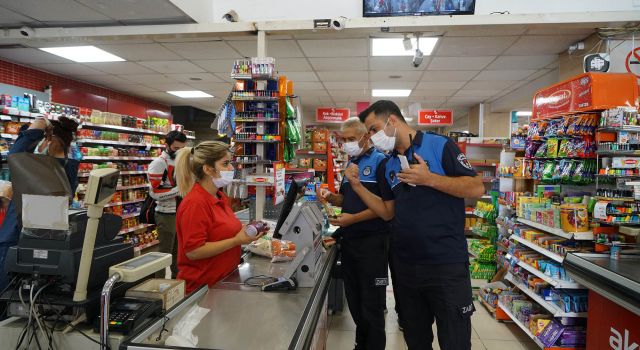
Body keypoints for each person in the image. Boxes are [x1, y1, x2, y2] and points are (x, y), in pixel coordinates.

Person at [346, 100, 484, 350]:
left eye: (375, 128)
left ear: (393, 121)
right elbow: (388, 212)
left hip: (445, 265)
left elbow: (476, 187)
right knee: (416, 340)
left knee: (455, 340)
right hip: (405, 268)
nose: (372, 137)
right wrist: (357, 186)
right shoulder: (388, 165)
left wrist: (430, 179)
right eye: (369, 132)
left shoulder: (439, 145)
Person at [318, 118, 390, 350]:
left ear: (365, 137)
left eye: (351, 139)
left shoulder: (381, 162)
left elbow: (386, 208)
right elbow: (348, 200)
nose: (347, 144)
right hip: (350, 242)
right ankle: (362, 344)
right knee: (356, 301)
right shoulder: (351, 161)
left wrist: (353, 219)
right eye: (344, 140)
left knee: (372, 305)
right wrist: (331, 197)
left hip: (373, 244)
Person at [0, 117, 80, 293]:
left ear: (49, 141)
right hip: (46, 242)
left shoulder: (42, 167)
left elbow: (15, 153)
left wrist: (40, 122)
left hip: (16, 239)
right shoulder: (68, 168)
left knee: (6, 296)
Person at [174, 141, 264, 294]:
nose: (231, 168)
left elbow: (219, 231)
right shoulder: (195, 203)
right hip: (201, 289)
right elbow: (194, 251)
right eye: (225, 164)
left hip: (222, 282)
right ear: (208, 169)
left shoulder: (219, 196)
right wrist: (237, 240)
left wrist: (246, 231)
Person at [147, 130, 187, 278]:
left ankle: (178, 283)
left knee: (178, 252)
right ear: (167, 145)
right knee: (164, 254)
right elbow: (154, 193)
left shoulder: (180, 162)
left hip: (179, 212)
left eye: (182, 149)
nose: (179, 152)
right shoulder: (158, 163)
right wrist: (180, 190)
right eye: (176, 149)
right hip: (165, 214)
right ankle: (159, 284)